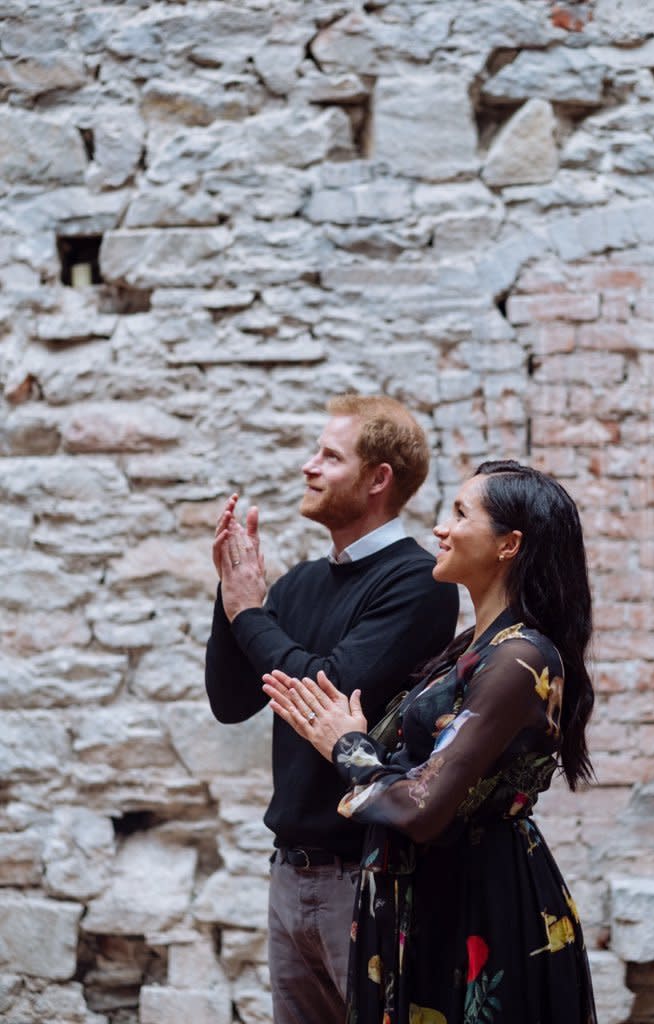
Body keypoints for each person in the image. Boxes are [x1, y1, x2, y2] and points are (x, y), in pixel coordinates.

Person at [264, 460, 598, 1024]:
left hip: (478, 903)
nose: (441, 529)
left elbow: (423, 806)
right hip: (434, 890)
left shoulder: (521, 658)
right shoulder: (474, 646)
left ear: (508, 545)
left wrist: (346, 744)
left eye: (461, 513)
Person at [205, 394, 459, 1024]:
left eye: (329, 455)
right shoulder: (295, 586)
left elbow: (324, 691)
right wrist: (230, 593)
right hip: (290, 871)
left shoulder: (417, 583)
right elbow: (230, 701)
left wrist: (250, 613)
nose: (307, 466)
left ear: (378, 479)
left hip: (365, 875)